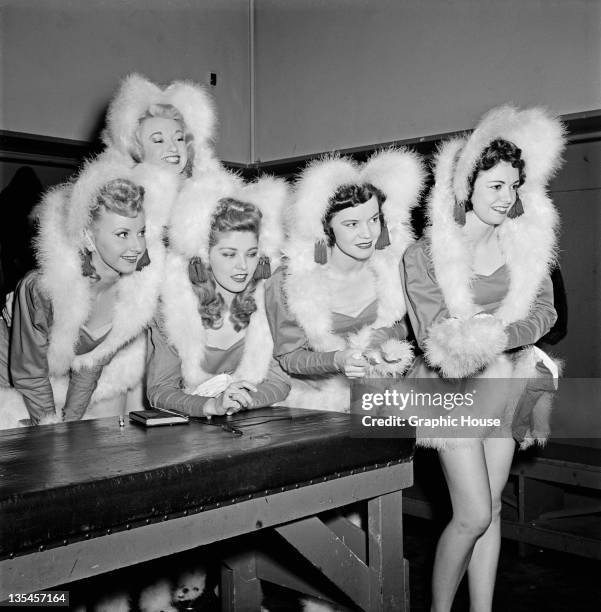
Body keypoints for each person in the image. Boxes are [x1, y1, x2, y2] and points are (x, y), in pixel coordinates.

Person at [401, 106, 566, 612]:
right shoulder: (425, 255)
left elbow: (546, 313)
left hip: (505, 382)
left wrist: (498, 335)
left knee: (491, 509)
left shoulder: (526, 246)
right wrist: (489, 339)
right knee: (471, 514)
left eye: (515, 186)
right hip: (448, 391)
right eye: (496, 185)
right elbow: (434, 334)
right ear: (466, 184)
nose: (508, 197)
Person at [0, 156, 178, 428]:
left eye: (140, 232)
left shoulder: (133, 295)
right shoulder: (43, 287)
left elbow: (89, 367)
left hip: (45, 385)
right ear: (87, 236)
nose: (136, 246)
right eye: (122, 234)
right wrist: (49, 424)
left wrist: (70, 422)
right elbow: (28, 372)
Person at [265, 149, 424, 411]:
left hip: (379, 393)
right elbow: (289, 357)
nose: (367, 234)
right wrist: (337, 359)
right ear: (325, 228)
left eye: (374, 220)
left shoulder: (395, 264)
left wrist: (386, 334)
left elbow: (407, 323)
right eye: (351, 224)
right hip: (315, 404)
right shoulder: (290, 280)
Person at [146, 171, 290, 416]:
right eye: (229, 254)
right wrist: (210, 405)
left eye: (252, 253)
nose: (243, 267)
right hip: (191, 430)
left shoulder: (270, 300)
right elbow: (159, 391)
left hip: (254, 424)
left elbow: (279, 382)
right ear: (204, 254)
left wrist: (240, 400)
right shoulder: (172, 308)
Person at [101, 73, 220, 178]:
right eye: (158, 140)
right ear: (137, 150)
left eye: (179, 139)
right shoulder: (120, 197)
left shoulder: (211, 193)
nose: (174, 148)